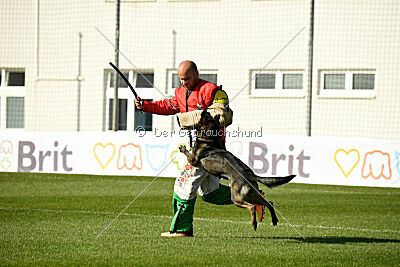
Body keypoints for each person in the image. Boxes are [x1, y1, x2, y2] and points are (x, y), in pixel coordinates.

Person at [135, 60, 264, 237]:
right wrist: (146, 106)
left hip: (210, 149)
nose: (183, 83)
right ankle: (254, 197)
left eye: (187, 79)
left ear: (196, 74)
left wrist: (188, 118)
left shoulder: (214, 91)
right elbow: (169, 106)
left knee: (183, 185)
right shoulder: (180, 93)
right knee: (210, 192)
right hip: (197, 149)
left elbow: (222, 114)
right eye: (181, 79)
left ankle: (182, 230)